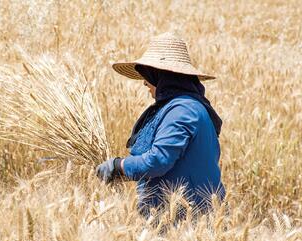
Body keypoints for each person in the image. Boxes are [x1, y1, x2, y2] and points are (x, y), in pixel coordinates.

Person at [96, 33, 225, 219]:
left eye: (148, 74)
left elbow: (158, 161)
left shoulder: (183, 111)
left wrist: (119, 166)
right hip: (183, 218)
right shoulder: (187, 107)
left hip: (183, 222)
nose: (144, 82)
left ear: (161, 76)